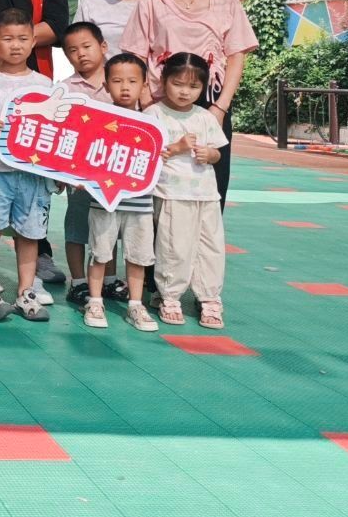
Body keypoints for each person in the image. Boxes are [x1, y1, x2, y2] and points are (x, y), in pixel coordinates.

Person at [122, 0, 257, 208]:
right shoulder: (150, 4)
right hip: (160, 102)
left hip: (210, 102)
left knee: (210, 179)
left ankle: (204, 237)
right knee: (158, 182)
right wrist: (146, 104)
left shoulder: (228, 3)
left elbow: (236, 56)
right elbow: (136, 57)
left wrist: (220, 108)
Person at [0, 0, 70, 288]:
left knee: (34, 169)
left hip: (34, 89)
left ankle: (41, 252)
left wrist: (13, 42)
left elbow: (57, 27)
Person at [0, 8, 56, 322]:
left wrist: (58, 173)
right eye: (7, 39)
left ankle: (26, 292)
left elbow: (57, 129)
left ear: (33, 42)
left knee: (29, 234)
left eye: (22, 38)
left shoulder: (45, 84)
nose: (15, 45)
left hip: (32, 174)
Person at [146, 52, 228, 329]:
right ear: (164, 80)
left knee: (210, 247)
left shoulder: (205, 117)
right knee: (174, 246)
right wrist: (176, 148)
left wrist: (210, 155)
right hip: (171, 193)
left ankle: (210, 297)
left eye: (193, 86)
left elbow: (217, 152)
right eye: (178, 84)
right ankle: (169, 296)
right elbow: (147, 154)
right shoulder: (154, 114)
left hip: (206, 194)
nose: (185, 92)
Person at [81, 53, 159, 333]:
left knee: (138, 255)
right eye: (117, 81)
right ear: (106, 84)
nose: (125, 87)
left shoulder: (153, 123)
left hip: (140, 203)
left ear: (145, 83)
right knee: (100, 252)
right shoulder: (99, 119)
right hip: (104, 201)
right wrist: (81, 178)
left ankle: (135, 305)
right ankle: (94, 301)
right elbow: (85, 154)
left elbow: (160, 157)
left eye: (132, 81)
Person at [58, 21, 126, 307]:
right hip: (79, 176)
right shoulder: (64, 89)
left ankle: (109, 279)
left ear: (103, 46)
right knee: (76, 226)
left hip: (111, 173)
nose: (81, 54)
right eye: (72, 50)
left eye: (87, 46)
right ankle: (78, 281)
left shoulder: (119, 82)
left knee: (109, 226)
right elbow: (59, 132)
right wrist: (61, 174)